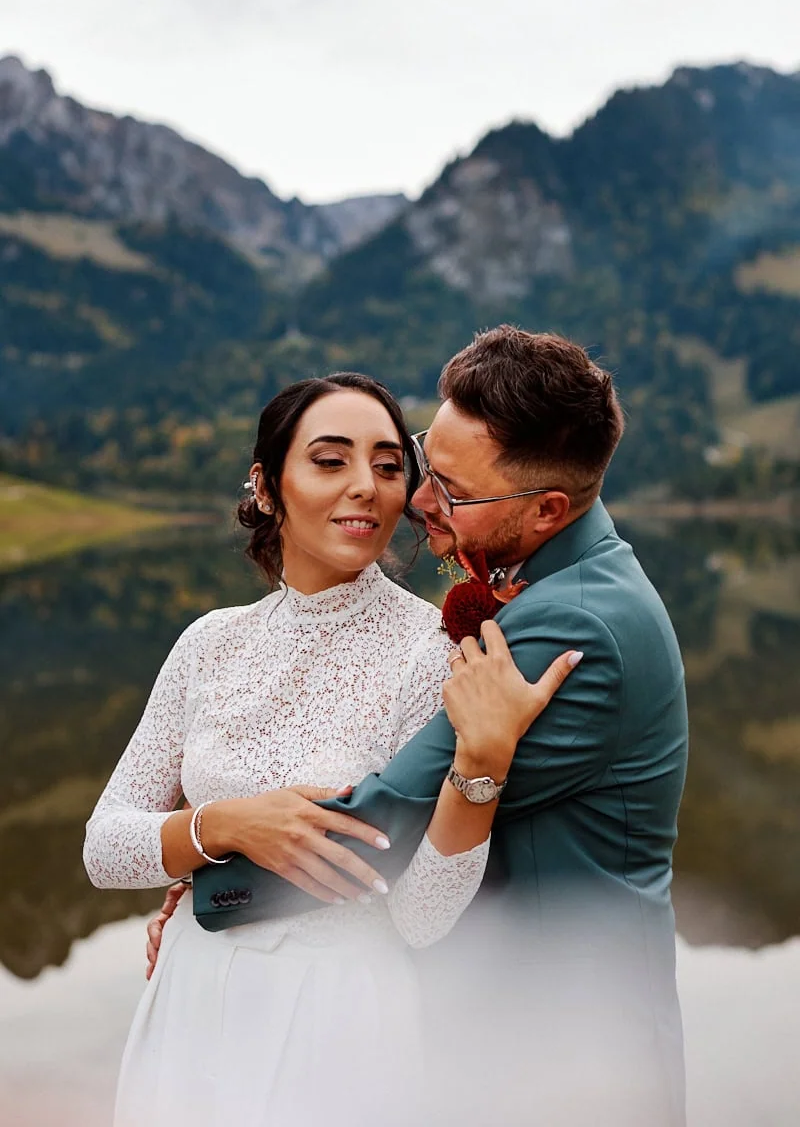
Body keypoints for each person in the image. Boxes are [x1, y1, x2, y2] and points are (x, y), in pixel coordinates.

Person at [149, 326, 689, 1126]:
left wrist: (209, 874)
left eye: (455, 491)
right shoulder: (565, 578)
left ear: (546, 510)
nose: (418, 499)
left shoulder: (565, 628)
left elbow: (382, 822)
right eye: (427, 458)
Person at [83, 370, 575, 1127]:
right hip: (191, 995)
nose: (367, 488)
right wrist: (221, 828)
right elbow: (104, 849)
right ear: (266, 485)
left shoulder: (433, 649)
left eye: (386, 465)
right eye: (329, 459)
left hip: (341, 1015)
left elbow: (421, 917)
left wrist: (481, 768)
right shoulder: (209, 643)